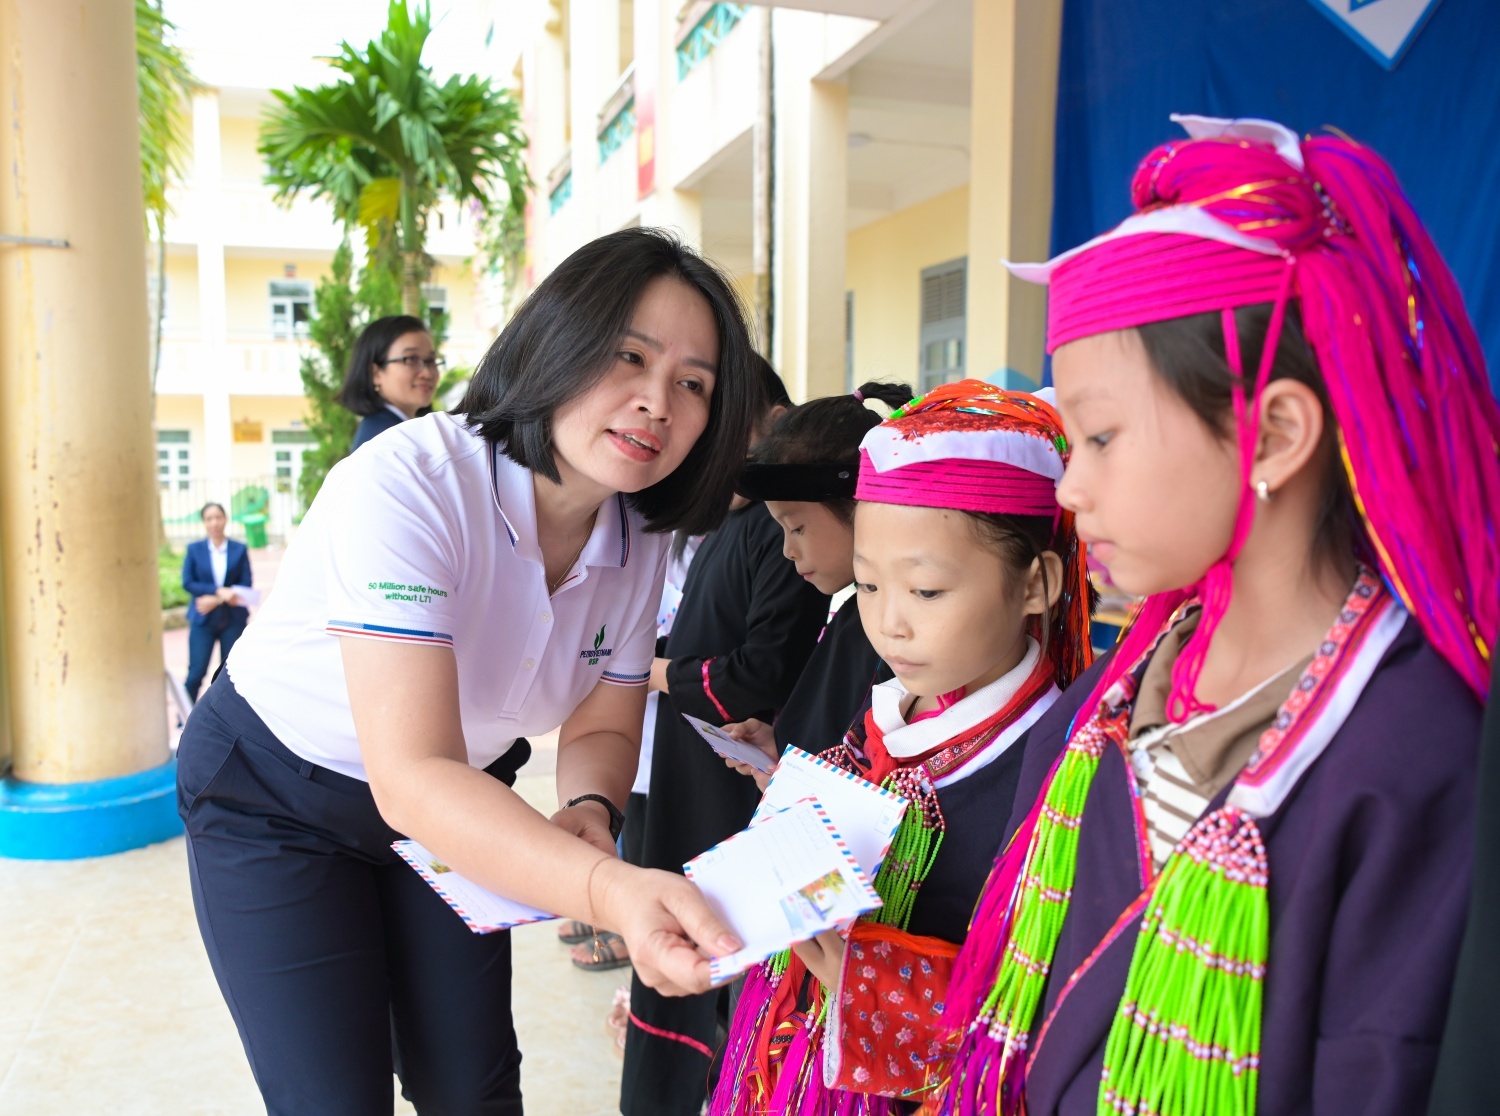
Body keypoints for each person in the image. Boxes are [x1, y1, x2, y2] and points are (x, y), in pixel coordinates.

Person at [940, 116, 1499, 1116]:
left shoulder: (1416, 760)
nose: (1070, 491)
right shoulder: (1111, 701)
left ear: (1276, 431)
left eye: (1102, 437)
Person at [175, 228, 760, 1116]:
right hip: (277, 798)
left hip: (455, 805)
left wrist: (594, 811)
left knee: (474, 1087)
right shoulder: (409, 485)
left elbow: (605, 716)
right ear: (554, 344)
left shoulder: (637, 535)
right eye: (628, 357)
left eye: (692, 384)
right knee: (336, 1098)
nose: (656, 403)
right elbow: (409, 776)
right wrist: (613, 888)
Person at [712, 381, 1095, 1115]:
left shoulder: (1058, 769)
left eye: (924, 592)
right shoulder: (892, 708)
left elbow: (1042, 1012)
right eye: (866, 585)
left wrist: (867, 978)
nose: (890, 625)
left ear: (1037, 584)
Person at [620, 357, 832, 1116]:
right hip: (696, 757)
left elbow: (758, 672)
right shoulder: (726, 529)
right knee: (682, 932)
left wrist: (662, 676)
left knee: (729, 953)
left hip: (732, 776)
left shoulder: (768, 532)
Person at [719, 381, 914, 770]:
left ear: (856, 505)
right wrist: (780, 745)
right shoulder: (853, 617)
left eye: (798, 528)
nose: (788, 550)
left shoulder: (893, 637)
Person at [181, 502, 253, 701]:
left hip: (233, 618)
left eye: (218, 517)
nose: (214, 523)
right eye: (209, 518)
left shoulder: (239, 549)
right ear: (204, 522)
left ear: (225, 519)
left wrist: (215, 599)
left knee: (230, 673)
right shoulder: (195, 550)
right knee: (196, 672)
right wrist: (218, 592)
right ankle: (183, 717)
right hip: (203, 618)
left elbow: (246, 583)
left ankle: (225, 720)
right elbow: (188, 582)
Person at [342, 314, 441, 451]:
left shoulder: (402, 430)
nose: (427, 373)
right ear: (375, 373)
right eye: (411, 359)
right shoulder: (386, 440)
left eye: (431, 361)